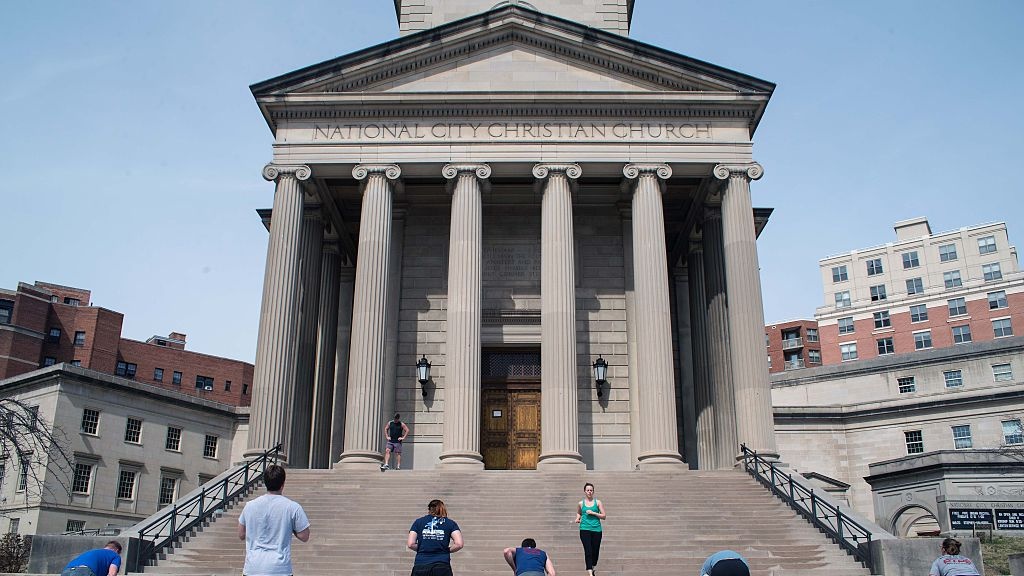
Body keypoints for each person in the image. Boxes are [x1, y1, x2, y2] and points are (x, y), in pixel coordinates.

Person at [238, 464, 311, 576]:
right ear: (282, 484)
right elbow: (304, 536)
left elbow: (241, 534)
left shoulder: (249, 506)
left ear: (265, 482)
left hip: (253, 567)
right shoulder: (292, 507)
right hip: (279, 568)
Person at [408, 498, 464, 576]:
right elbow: (459, 544)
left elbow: (410, 544)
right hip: (442, 564)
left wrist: (423, 548)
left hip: (421, 564)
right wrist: (446, 550)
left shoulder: (418, 522)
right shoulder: (450, 523)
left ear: (429, 509)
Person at [573, 482, 606, 576]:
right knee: (588, 550)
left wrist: (594, 513)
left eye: (591, 490)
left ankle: (593, 565)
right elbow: (579, 512)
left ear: (593, 491)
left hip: (596, 529)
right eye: (588, 490)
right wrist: (577, 518)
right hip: (584, 529)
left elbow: (604, 516)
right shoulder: (580, 503)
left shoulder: (598, 502)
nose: (589, 492)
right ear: (584, 491)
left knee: (595, 551)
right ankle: (590, 573)